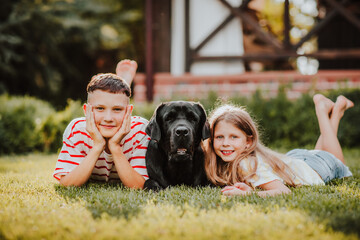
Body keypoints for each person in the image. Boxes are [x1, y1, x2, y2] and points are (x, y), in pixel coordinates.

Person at [204, 94, 354, 197]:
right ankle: (336, 110)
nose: (225, 143)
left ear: (248, 142)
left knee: (336, 160)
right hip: (297, 162)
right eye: (219, 137)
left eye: (234, 137)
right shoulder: (230, 160)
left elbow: (282, 191)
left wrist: (248, 193)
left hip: (314, 167)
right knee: (324, 151)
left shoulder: (247, 164)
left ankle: (323, 110)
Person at [53, 60, 150, 188]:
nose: (108, 118)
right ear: (86, 111)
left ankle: (122, 82)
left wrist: (115, 147)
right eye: (100, 108)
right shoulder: (77, 129)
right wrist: (98, 146)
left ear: (129, 112)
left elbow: (139, 186)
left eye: (117, 109)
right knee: (107, 93)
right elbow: (67, 184)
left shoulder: (140, 130)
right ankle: (120, 81)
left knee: (113, 94)